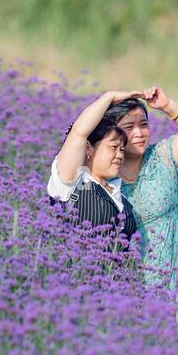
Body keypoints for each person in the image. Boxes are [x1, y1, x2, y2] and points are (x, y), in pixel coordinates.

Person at [105, 89, 178, 287]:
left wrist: (167, 106)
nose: (139, 133)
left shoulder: (163, 156)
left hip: (175, 277)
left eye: (143, 125)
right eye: (129, 127)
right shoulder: (103, 174)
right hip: (128, 285)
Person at [47, 91, 141, 251]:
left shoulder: (120, 195)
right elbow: (79, 133)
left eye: (122, 150)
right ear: (89, 149)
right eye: (113, 147)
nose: (120, 155)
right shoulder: (72, 183)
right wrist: (109, 97)